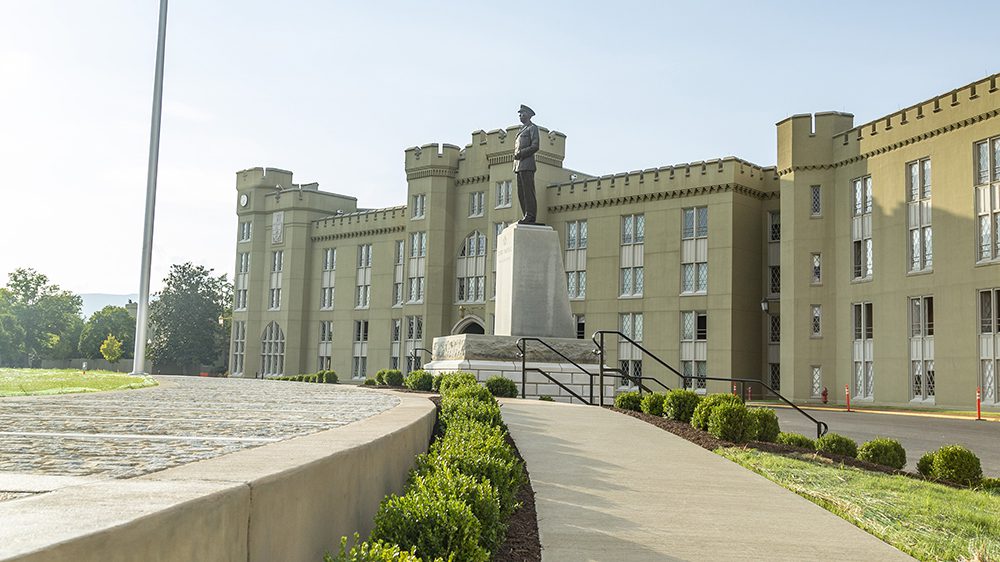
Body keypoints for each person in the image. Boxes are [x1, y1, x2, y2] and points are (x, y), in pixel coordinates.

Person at [514, 104, 540, 224]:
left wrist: (521, 153)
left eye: (522, 113)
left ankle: (530, 215)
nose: (520, 115)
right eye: (519, 114)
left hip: (527, 164)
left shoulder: (532, 128)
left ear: (529, 115)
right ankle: (526, 214)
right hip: (519, 166)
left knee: (528, 192)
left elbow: (535, 146)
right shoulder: (521, 130)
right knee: (521, 193)